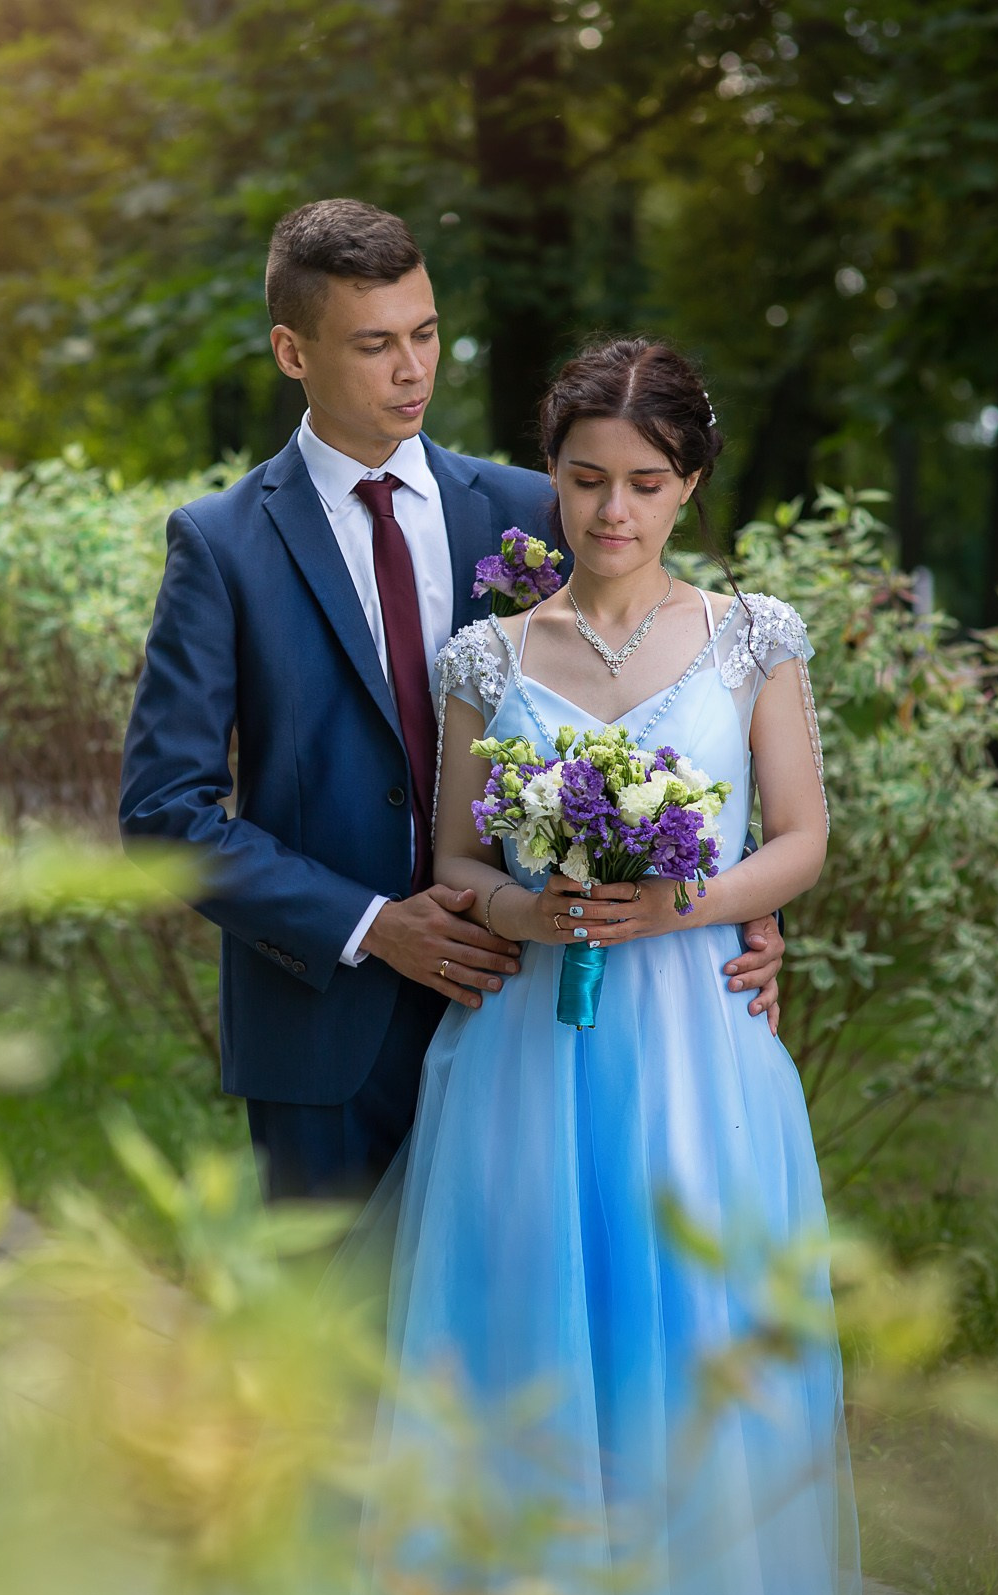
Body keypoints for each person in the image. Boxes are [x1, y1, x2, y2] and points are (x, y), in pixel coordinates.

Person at [118, 200, 787, 1203]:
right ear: (291, 351)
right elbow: (163, 815)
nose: (413, 369)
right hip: (327, 1028)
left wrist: (731, 909)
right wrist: (373, 923)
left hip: (543, 1018)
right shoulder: (221, 546)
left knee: (517, 1342)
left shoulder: (534, 507)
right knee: (333, 1349)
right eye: (375, 343)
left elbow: (651, 708)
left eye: (426, 333)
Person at [373, 337, 860, 1593]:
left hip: (696, 1043)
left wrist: (683, 897)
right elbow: (460, 861)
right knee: (527, 1340)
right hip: (527, 1054)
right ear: (552, 475)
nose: (614, 510)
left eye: (645, 481)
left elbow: (800, 838)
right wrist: (525, 917)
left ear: (690, 483)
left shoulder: (753, 638)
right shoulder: (489, 656)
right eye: (587, 480)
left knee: (685, 1350)